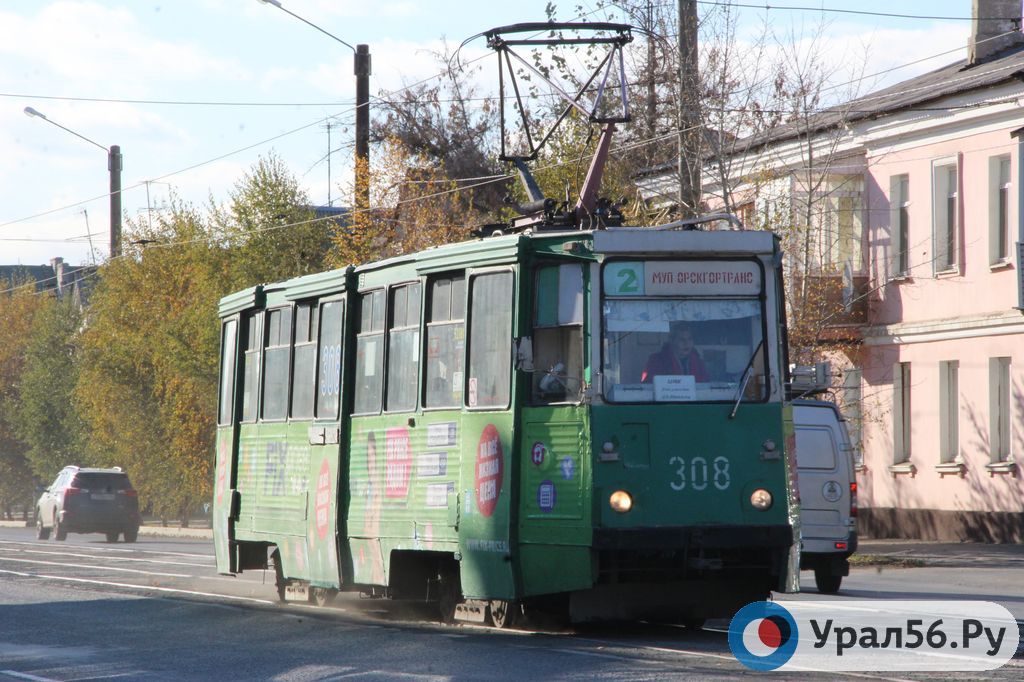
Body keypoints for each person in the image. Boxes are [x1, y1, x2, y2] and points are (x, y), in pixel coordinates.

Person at [641, 324, 709, 383]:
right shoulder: (657, 361)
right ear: (672, 341)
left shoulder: (699, 363)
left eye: (689, 339)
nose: (686, 343)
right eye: (682, 339)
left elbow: (705, 385)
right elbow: (649, 384)